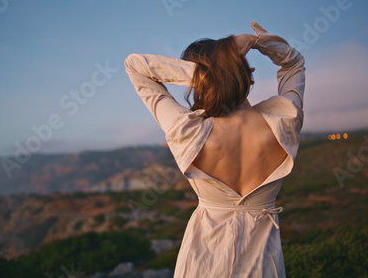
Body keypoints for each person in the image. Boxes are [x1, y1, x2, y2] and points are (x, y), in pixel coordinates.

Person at [124, 21, 305, 278]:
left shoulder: (186, 130)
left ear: (197, 81)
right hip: (264, 265)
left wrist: (211, 74)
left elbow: (134, 65)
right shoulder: (285, 119)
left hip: (202, 261)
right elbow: (294, 64)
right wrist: (254, 42)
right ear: (249, 72)